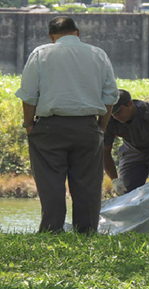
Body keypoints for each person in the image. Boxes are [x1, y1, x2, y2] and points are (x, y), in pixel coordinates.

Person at [15, 16, 119, 234]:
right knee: (88, 183)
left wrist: (28, 125)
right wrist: (101, 126)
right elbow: (110, 96)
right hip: (88, 126)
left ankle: (51, 230)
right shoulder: (97, 54)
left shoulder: (41, 53)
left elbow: (28, 96)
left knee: (50, 181)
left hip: (49, 127)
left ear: (51, 36)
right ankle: (86, 231)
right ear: (77, 32)